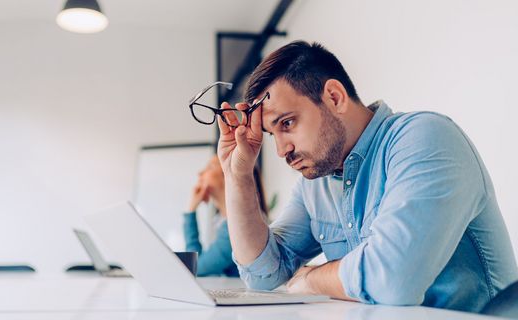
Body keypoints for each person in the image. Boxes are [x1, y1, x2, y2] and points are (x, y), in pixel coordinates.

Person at [216, 40, 518, 312]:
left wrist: (311, 278)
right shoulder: (316, 184)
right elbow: (263, 275)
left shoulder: (425, 137)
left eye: (288, 123)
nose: (282, 150)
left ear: (334, 98)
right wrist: (237, 176)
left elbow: (393, 280)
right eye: (272, 134)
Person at [183, 155, 268, 277]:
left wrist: (190, 211)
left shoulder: (241, 225)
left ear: (229, 175)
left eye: (210, 167)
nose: (200, 172)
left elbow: (195, 267)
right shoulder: (220, 221)